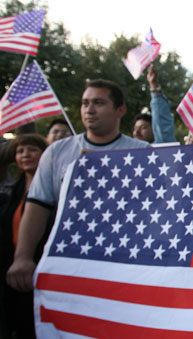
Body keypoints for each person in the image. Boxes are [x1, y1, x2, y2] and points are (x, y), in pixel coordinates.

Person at [6, 79, 150, 293]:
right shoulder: (56, 152)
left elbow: (153, 209)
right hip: (68, 261)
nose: (89, 110)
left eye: (98, 103)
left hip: (126, 263)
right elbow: (37, 207)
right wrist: (23, 257)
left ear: (120, 110)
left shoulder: (144, 152)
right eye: (85, 103)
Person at [0, 134, 48, 339]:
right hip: (11, 271)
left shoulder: (55, 189)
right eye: (20, 151)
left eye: (32, 149)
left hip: (42, 270)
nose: (25, 155)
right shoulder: (9, 191)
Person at [133, 64, 176, 144]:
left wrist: (154, 86)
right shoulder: (128, 154)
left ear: (154, 130)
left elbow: (161, 120)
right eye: (135, 129)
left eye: (143, 127)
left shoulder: (160, 148)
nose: (136, 133)